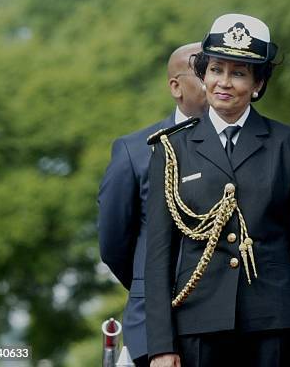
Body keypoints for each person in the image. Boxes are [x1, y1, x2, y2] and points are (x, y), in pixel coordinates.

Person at [145, 14, 290, 367]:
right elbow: (158, 256)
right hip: (197, 321)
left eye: (239, 73)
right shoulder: (171, 149)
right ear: (202, 75)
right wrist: (160, 345)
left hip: (274, 321)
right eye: (216, 70)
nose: (224, 83)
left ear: (258, 83)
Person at [98, 42, 207, 367]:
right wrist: (153, 286)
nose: (217, 81)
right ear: (176, 86)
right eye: (204, 72)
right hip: (152, 329)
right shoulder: (135, 151)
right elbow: (114, 243)